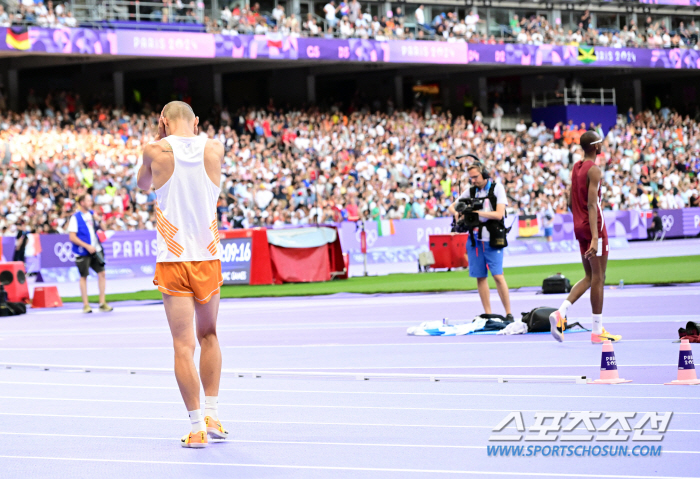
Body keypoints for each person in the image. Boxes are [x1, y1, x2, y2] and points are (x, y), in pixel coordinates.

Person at [138, 101, 228, 448]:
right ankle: (213, 413)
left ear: (162, 122)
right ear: (197, 122)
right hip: (208, 255)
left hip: (173, 258)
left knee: (182, 344)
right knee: (210, 336)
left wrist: (159, 141)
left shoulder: (153, 150)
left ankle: (195, 428)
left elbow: (144, 184)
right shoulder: (215, 148)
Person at [549, 131, 621, 344]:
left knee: (589, 277)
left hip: (579, 226)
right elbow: (592, 205)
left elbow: (570, 198)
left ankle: (561, 312)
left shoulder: (576, 167)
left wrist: (579, 223)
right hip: (594, 228)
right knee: (599, 277)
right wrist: (596, 237)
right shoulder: (594, 170)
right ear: (596, 147)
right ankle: (597, 331)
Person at [448, 163, 513, 321]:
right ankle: (488, 313)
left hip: (492, 238)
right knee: (480, 277)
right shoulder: (470, 191)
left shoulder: (497, 188)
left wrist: (476, 213)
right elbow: (452, 207)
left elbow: (499, 214)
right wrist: (459, 214)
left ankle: (509, 313)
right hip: (475, 239)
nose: (473, 180)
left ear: (484, 174)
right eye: (471, 177)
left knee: (498, 276)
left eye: (476, 177)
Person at [68, 194, 113, 314]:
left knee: (102, 273)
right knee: (84, 276)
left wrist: (100, 220)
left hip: (96, 248)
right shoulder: (75, 218)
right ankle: (86, 305)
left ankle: (102, 303)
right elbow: (72, 237)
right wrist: (86, 246)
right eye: (88, 200)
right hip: (83, 251)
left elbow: (103, 228)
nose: (90, 202)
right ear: (82, 202)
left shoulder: (92, 215)